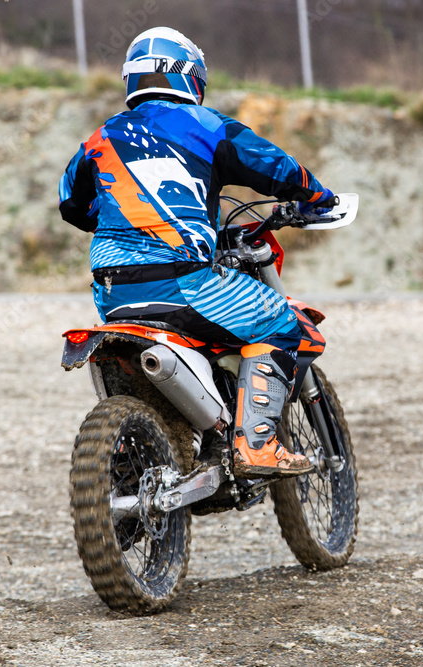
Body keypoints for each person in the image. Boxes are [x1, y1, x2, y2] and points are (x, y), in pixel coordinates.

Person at [58, 27, 335, 479]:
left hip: (112, 295)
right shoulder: (205, 126)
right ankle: (257, 445)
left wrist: (118, 217)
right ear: (190, 75)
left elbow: (72, 203)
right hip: (185, 282)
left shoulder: (101, 137)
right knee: (283, 322)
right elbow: (275, 167)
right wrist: (317, 197)